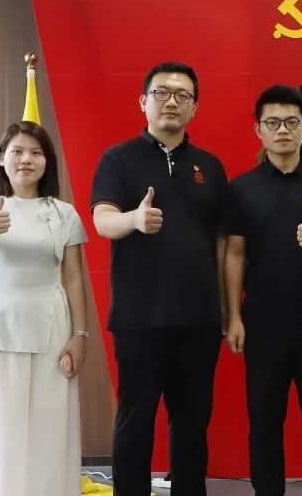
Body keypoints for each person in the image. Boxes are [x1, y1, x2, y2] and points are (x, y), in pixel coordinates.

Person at [91, 62, 231, 496]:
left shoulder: (210, 166)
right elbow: (102, 219)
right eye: (162, 93)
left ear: (194, 107)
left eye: (183, 95)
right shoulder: (118, 159)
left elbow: (223, 244)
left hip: (199, 319)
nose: (172, 101)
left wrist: (227, 310)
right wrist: (133, 219)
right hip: (140, 317)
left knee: (192, 423)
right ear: (144, 101)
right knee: (135, 421)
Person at [225, 85, 302, 496]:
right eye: (273, 122)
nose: (283, 130)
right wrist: (233, 316)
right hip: (262, 323)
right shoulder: (241, 188)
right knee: (264, 422)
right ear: (259, 129)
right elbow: (234, 254)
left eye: (291, 122)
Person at [0, 121, 90, 496]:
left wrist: (80, 335)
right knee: (2, 427)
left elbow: (74, 277)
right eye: (17, 151)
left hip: (52, 328)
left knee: (52, 426)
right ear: (2, 158)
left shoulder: (63, 212)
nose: (26, 159)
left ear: (47, 161)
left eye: (36, 152)